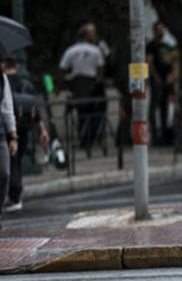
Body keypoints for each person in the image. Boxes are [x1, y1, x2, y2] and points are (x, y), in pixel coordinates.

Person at [1, 56, 50, 212]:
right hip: (24, 129)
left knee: (11, 164)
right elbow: (35, 110)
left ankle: (14, 196)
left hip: (8, 130)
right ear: (16, 66)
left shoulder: (4, 81)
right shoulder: (26, 84)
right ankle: (15, 194)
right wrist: (42, 129)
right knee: (16, 163)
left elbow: (7, 109)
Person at [59, 23, 106, 156]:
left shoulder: (71, 50)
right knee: (93, 113)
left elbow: (62, 69)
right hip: (91, 89)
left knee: (81, 115)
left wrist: (59, 87)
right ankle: (90, 138)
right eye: (92, 33)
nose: (94, 35)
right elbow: (100, 71)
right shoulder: (96, 51)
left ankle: (84, 138)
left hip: (77, 90)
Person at [146, 21, 173, 145]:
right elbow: (149, 63)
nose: (160, 32)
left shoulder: (166, 46)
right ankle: (155, 134)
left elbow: (169, 62)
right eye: (158, 30)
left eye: (162, 30)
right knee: (154, 106)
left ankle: (163, 132)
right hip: (156, 79)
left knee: (164, 107)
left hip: (165, 79)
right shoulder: (151, 46)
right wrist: (156, 77)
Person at [1, 67, 19, 228]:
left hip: (0, 134)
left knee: (4, 173)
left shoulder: (2, 78)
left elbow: (7, 109)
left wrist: (13, 136)